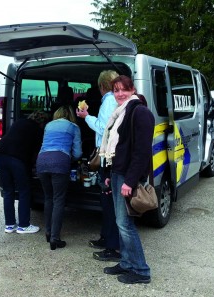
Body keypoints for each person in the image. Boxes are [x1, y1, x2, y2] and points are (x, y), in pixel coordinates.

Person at [100, 75, 154, 284]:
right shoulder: (120, 113)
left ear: (132, 90)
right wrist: (109, 174)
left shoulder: (140, 112)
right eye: (116, 90)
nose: (120, 94)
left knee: (125, 224)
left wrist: (129, 181)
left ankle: (141, 270)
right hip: (117, 173)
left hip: (127, 176)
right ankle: (126, 263)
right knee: (120, 221)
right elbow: (117, 149)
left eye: (124, 89)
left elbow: (141, 152)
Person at [76, 70, 120, 262]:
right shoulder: (115, 101)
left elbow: (103, 128)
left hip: (107, 158)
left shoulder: (108, 101)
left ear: (102, 86)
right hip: (110, 156)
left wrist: (86, 116)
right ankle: (106, 238)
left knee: (109, 204)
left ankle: (112, 246)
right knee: (106, 202)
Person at [0, 111, 50, 234]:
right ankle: (23, 225)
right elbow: (36, 152)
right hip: (16, 159)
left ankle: (9, 225)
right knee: (24, 191)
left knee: (8, 191)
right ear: (43, 122)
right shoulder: (38, 130)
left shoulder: (18, 122)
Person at [36, 105, 82, 250]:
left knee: (48, 197)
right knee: (58, 199)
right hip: (60, 161)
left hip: (42, 160)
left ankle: (48, 232)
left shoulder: (48, 125)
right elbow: (78, 152)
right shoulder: (73, 127)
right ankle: (55, 238)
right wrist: (71, 158)